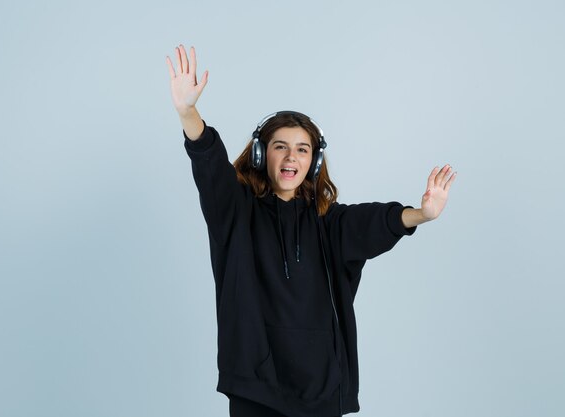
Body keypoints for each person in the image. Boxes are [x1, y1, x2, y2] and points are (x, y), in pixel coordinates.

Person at [166, 44, 456, 417]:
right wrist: (188, 113)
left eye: (303, 149)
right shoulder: (236, 213)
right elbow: (210, 168)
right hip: (257, 387)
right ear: (261, 154)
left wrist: (421, 214)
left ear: (314, 161)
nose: (291, 157)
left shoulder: (329, 223)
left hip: (322, 390)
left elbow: (374, 223)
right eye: (280, 147)